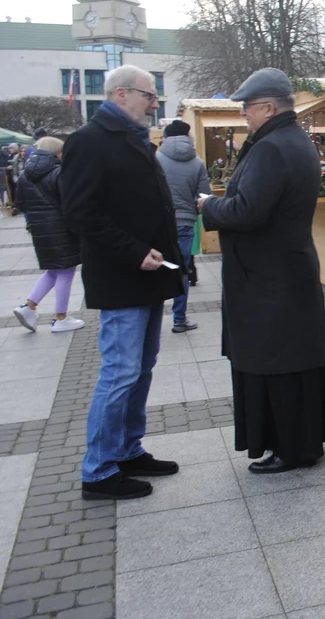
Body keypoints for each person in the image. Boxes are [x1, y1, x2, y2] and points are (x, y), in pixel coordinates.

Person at [200, 68, 325, 474]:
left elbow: (248, 210)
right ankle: (302, 440)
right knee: (293, 360)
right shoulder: (294, 140)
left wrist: (208, 205)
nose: (244, 115)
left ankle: (292, 447)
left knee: (276, 362)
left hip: (268, 277)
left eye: (247, 107)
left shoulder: (271, 147)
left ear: (266, 106)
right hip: (285, 270)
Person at [62, 65, 186, 501]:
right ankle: (98, 471)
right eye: (149, 96)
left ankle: (127, 450)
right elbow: (79, 213)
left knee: (141, 368)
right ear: (120, 95)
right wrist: (134, 251)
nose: (154, 104)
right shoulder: (89, 141)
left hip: (150, 277)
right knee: (119, 373)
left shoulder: (132, 139)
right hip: (123, 278)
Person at [12, 137, 84, 333]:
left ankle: (29, 306)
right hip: (60, 227)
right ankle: (60, 317)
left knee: (54, 270)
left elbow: (21, 204)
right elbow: (68, 202)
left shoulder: (26, 174)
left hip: (39, 228)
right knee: (65, 271)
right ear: (56, 152)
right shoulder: (58, 172)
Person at [156, 120, 210, 334]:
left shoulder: (155, 159)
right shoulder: (197, 161)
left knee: (156, 268)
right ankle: (179, 319)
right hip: (186, 223)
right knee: (181, 271)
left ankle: (151, 320)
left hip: (159, 223)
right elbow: (205, 196)